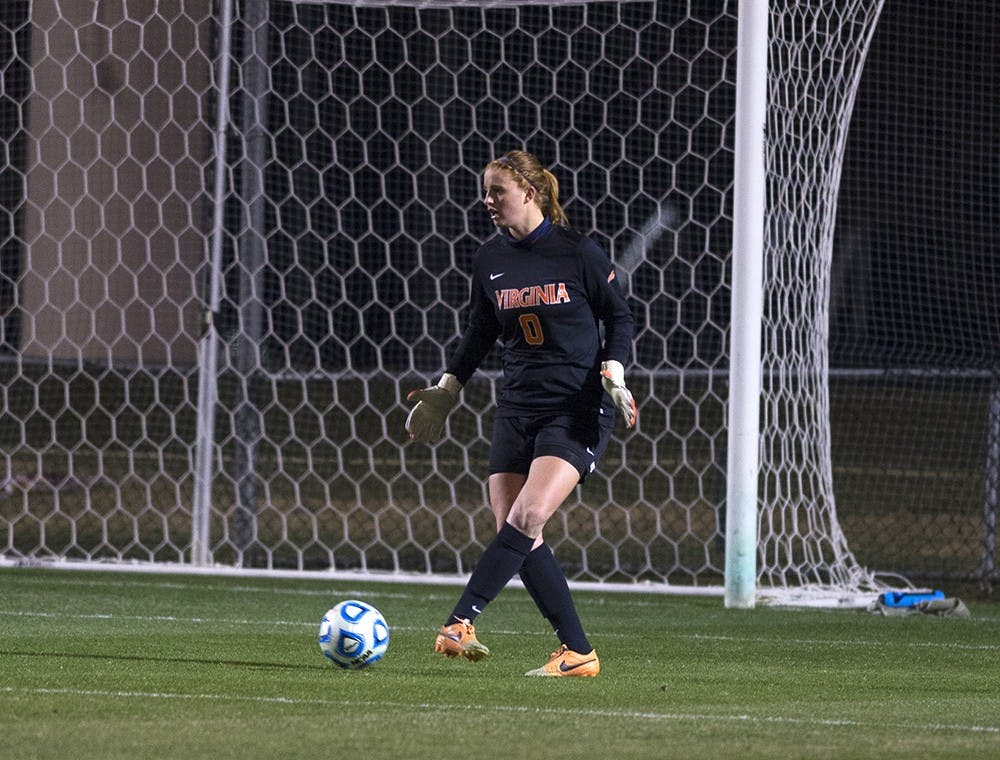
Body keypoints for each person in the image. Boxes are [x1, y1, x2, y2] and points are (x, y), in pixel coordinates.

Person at [405, 149, 636, 677]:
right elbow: (479, 333)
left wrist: (615, 370)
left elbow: (618, 317)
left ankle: (461, 620)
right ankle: (577, 652)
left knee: (528, 516)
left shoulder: (578, 252)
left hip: (575, 406)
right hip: (516, 408)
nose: (487, 201)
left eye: (497, 192)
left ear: (530, 194)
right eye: (485, 192)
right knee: (519, 533)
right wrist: (447, 389)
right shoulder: (490, 259)